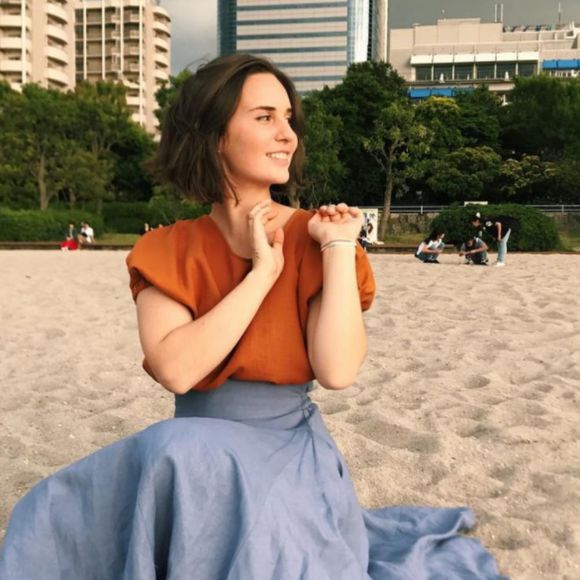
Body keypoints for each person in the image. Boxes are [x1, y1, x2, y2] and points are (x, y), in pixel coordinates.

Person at [0, 55, 505, 580]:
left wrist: (337, 246)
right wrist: (261, 276)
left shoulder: (318, 238)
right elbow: (177, 370)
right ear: (214, 135)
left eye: (288, 118)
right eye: (265, 117)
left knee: (180, 451)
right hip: (194, 463)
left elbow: (337, 372)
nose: (287, 134)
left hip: (288, 459)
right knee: (54, 508)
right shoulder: (167, 248)